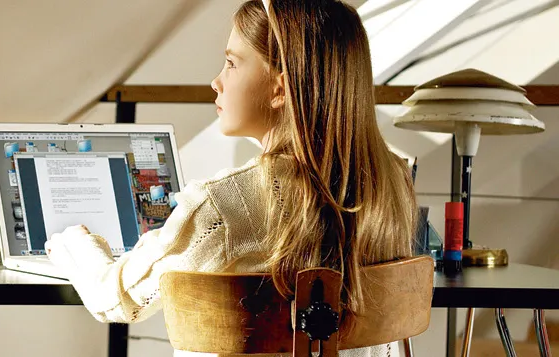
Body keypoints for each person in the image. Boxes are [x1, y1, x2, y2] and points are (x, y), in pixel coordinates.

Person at [44, 0, 418, 356]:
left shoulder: (222, 206)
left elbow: (115, 298)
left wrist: (73, 242)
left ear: (279, 88)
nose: (216, 82)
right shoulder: (396, 185)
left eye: (231, 63)